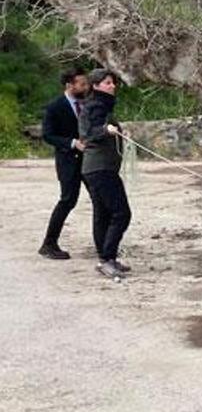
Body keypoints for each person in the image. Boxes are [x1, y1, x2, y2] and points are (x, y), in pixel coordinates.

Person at [79, 69, 133, 278]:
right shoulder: (92, 106)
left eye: (113, 82)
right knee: (121, 213)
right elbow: (86, 134)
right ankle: (107, 257)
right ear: (96, 86)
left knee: (102, 214)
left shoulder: (104, 106)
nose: (113, 86)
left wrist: (119, 133)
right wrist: (105, 131)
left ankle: (105, 259)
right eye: (107, 83)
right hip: (98, 168)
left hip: (102, 168)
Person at [39, 68, 92, 259]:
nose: (86, 87)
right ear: (70, 85)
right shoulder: (55, 107)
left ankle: (104, 244)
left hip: (89, 160)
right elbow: (48, 135)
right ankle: (49, 244)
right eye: (82, 84)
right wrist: (72, 143)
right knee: (68, 200)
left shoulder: (87, 104)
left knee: (99, 198)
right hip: (68, 160)